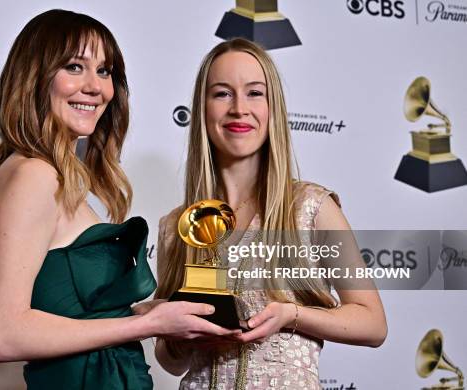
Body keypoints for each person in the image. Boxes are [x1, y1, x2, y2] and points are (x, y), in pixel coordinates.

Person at [0, 10, 236, 390]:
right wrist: (149, 324)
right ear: (34, 77)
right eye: (75, 67)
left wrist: (148, 311)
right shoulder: (32, 175)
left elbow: (64, 309)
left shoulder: (50, 174)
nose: (96, 87)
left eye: (105, 71)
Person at [154, 38, 387, 390]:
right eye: (222, 93)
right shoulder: (176, 227)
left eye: (254, 93)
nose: (238, 109)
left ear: (272, 108)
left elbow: (373, 324)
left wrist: (291, 315)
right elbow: (171, 362)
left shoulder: (311, 206)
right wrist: (177, 334)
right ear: (202, 109)